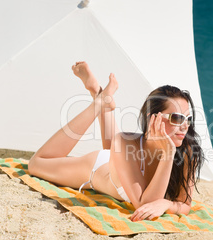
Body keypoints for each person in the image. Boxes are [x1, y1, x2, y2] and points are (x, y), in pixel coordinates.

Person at [28, 62, 203, 222]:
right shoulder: (127, 144)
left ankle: (99, 93)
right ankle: (98, 103)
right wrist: (168, 154)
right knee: (36, 164)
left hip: (122, 161)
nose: (185, 126)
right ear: (153, 119)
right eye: (177, 118)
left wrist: (167, 204)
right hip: (96, 168)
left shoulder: (188, 151)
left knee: (117, 148)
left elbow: (184, 204)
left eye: (188, 118)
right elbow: (145, 204)